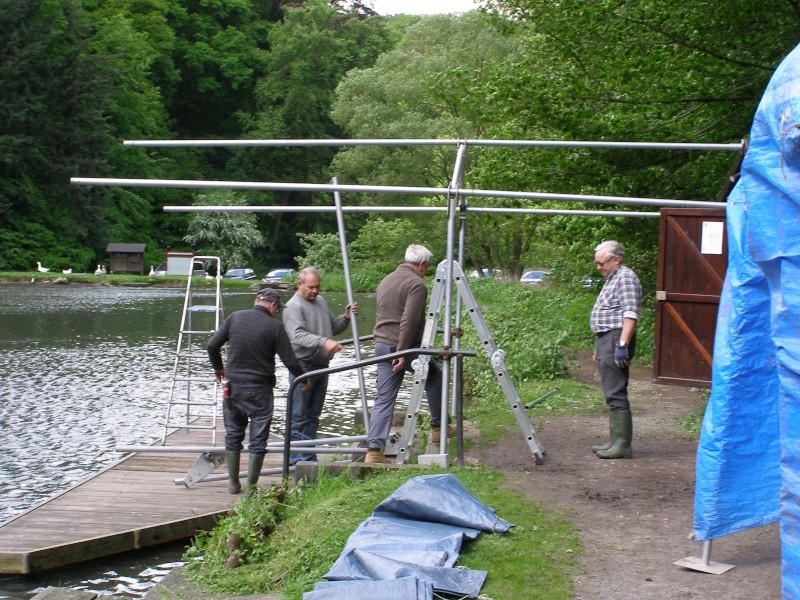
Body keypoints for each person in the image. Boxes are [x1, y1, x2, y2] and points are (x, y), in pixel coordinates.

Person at [207, 287, 306, 494]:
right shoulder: (275, 327)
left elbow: (212, 346)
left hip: (232, 387)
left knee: (233, 434)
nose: (276, 311)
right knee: (258, 439)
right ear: (272, 305)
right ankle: (251, 488)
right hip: (260, 388)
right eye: (277, 308)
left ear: (256, 301)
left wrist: (218, 369)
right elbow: (290, 360)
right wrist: (303, 378)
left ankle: (233, 484)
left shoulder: (234, 318)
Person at [365, 244, 454, 465]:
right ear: (422, 264)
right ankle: (438, 427)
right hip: (403, 348)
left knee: (384, 398)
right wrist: (403, 352)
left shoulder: (386, 280)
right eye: (428, 266)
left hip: (381, 344)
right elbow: (409, 320)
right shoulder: (416, 284)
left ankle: (374, 451)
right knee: (435, 378)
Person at [283, 267, 358, 465]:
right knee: (298, 417)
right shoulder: (293, 307)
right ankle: (296, 460)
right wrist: (324, 342)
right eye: (311, 287)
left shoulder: (321, 301)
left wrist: (346, 318)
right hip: (303, 366)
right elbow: (297, 335)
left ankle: (308, 458)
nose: (315, 291)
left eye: (317, 287)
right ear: (300, 285)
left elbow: (331, 327)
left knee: (313, 416)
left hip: (322, 365)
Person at [589, 240, 642, 459]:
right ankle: (614, 441)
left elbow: (630, 313)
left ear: (616, 259)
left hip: (615, 338)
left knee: (615, 390)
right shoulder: (613, 278)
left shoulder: (626, 278)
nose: (599, 267)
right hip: (607, 338)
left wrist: (622, 344)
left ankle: (622, 445)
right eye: (597, 263)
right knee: (611, 390)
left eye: (602, 263)